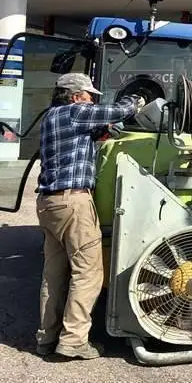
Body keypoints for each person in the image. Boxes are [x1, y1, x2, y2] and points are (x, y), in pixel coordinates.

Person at [35, 73, 144, 359]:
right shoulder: (75, 113)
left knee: (54, 275)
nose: (92, 100)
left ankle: (46, 337)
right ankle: (73, 341)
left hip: (48, 204)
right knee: (88, 273)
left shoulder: (51, 117)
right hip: (74, 203)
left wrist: (101, 131)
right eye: (88, 95)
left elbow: (80, 138)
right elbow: (119, 111)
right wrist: (138, 100)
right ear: (75, 96)